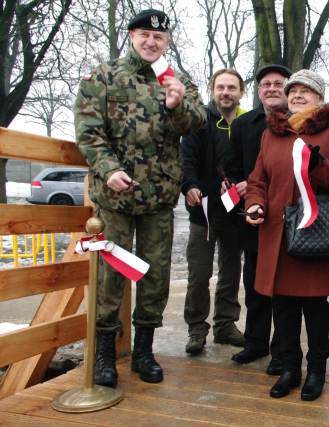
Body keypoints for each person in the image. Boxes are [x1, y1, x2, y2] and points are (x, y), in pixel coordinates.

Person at [74, 9, 206, 387]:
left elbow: (197, 123)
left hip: (158, 197)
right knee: (110, 276)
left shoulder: (176, 80)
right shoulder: (103, 77)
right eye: (145, 34)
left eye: (159, 37)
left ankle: (144, 352)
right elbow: (88, 131)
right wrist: (108, 168)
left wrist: (178, 104)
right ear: (131, 35)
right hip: (115, 197)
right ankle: (104, 354)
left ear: (167, 42)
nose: (151, 42)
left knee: (155, 274)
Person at [244, 69, 329, 401]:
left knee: (315, 307)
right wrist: (254, 203)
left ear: (319, 97)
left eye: (306, 90)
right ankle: (290, 368)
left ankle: (316, 370)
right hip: (277, 233)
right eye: (293, 90)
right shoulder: (272, 133)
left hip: (315, 233)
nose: (297, 95)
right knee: (283, 305)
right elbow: (258, 179)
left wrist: (316, 165)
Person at [227, 64, 292, 374]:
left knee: (284, 287)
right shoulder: (243, 124)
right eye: (266, 84)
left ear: (287, 89)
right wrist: (236, 184)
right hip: (253, 218)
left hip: (288, 218)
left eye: (278, 84)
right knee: (255, 284)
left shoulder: (299, 122)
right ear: (258, 91)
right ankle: (255, 342)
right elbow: (230, 166)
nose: (271, 89)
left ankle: (282, 348)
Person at [181, 69, 246, 355]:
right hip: (203, 212)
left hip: (235, 212)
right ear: (212, 89)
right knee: (199, 274)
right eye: (221, 87)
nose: (226, 93)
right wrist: (190, 186)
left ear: (241, 92)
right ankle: (197, 328)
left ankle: (225, 325)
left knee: (231, 272)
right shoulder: (199, 121)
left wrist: (244, 184)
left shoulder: (247, 123)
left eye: (232, 87)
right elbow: (186, 159)